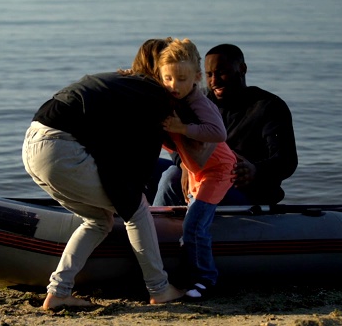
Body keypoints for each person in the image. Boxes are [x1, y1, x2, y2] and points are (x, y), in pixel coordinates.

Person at [22, 39, 185, 310]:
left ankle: (59, 292)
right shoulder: (154, 94)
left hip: (33, 144)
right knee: (137, 209)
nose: (175, 82)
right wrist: (135, 194)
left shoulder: (123, 83)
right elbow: (142, 158)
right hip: (61, 147)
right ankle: (160, 288)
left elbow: (107, 138)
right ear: (161, 69)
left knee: (98, 219)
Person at [154, 43, 298, 207]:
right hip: (200, 173)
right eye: (209, 75)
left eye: (221, 73)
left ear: (242, 69)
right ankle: (136, 220)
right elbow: (176, 141)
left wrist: (255, 170)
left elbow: (286, 160)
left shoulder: (269, 106)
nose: (214, 81)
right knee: (149, 167)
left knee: (171, 176)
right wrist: (183, 163)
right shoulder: (199, 102)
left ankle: (156, 229)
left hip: (244, 190)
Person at [157, 38, 237, 299]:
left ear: (196, 77)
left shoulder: (199, 102)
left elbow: (218, 132)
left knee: (194, 225)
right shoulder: (169, 98)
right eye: (167, 78)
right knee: (186, 227)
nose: (174, 86)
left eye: (181, 79)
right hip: (195, 170)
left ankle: (206, 280)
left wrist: (182, 128)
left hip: (219, 169)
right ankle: (186, 270)